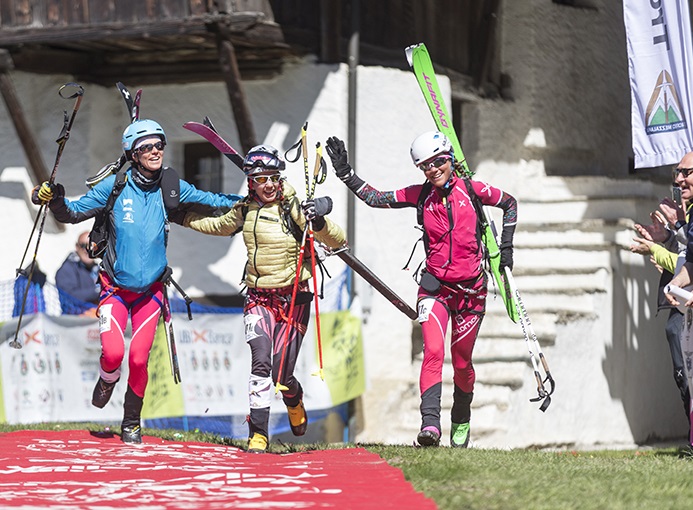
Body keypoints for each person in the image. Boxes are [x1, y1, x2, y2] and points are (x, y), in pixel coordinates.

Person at [32, 119, 241, 444]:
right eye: (146, 147)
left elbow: (210, 200)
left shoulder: (170, 186)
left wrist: (248, 200)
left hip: (151, 293)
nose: (155, 151)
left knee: (139, 359)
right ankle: (107, 379)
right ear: (132, 153)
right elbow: (70, 213)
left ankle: (131, 420)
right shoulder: (114, 187)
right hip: (115, 290)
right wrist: (55, 197)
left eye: (159, 144)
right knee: (114, 355)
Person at [325, 132, 517, 448]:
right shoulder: (420, 195)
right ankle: (430, 426)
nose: (434, 169)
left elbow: (510, 204)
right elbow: (375, 197)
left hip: (471, 292)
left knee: (461, 363)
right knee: (433, 352)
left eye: (439, 161)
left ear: (450, 159)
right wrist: (346, 173)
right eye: (426, 165)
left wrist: (506, 247)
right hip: (435, 289)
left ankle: (461, 418)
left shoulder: (473, 189)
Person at [182, 144, 346, 453]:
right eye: (261, 179)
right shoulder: (246, 207)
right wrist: (183, 217)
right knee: (260, 362)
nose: (268, 184)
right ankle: (258, 433)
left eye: (273, 177)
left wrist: (321, 215)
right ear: (250, 181)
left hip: (294, 299)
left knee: (280, 374)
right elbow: (218, 225)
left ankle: (293, 399)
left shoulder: (293, 205)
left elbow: (338, 239)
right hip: (258, 298)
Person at [630, 194, 691, 423]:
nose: (681, 180)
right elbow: (685, 255)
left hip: (686, 304)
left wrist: (657, 250)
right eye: (679, 174)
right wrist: (668, 237)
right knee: (684, 377)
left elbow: (688, 262)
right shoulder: (686, 209)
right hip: (681, 304)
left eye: (687, 173)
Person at [55, 231, 100, 305]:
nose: (87, 250)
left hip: (98, 314)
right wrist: (99, 291)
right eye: (83, 246)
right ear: (77, 246)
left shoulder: (98, 269)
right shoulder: (67, 269)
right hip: (76, 315)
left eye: (92, 246)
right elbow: (70, 296)